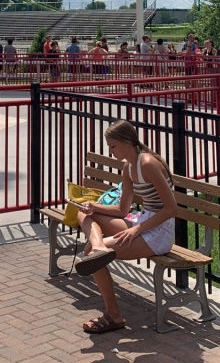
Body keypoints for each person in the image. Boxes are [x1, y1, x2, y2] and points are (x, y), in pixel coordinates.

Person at [74, 120, 177, 334]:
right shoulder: (128, 166)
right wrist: (95, 206)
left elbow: (170, 209)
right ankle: (99, 247)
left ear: (126, 142)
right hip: (142, 220)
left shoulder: (147, 163)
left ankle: (114, 315)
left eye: (112, 146)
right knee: (83, 212)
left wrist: (136, 230)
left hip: (158, 231)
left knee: (88, 254)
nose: (111, 151)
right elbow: (122, 210)